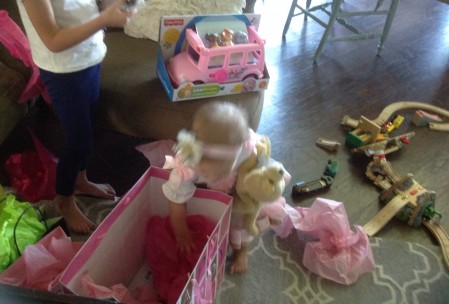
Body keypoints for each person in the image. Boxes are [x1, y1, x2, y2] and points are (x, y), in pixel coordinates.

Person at [16, 0, 135, 234]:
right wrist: (104, 19)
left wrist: (106, 6)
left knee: (88, 127)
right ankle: (65, 199)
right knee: (78, 141)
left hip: (89, 56)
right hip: (63, 70)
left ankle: (80, 180)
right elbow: (52, 40)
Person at [162, 101, 289, 274]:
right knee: (201, 211)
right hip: (207, 191)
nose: (214, 176)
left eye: (222, 171)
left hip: (240, 189)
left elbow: (262, 164)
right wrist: (181, 232)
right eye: (208, 171)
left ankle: (241, 252)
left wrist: (263, 179)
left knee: (242, 222)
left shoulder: (247, 148)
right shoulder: (188, 163)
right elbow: (175, 200)